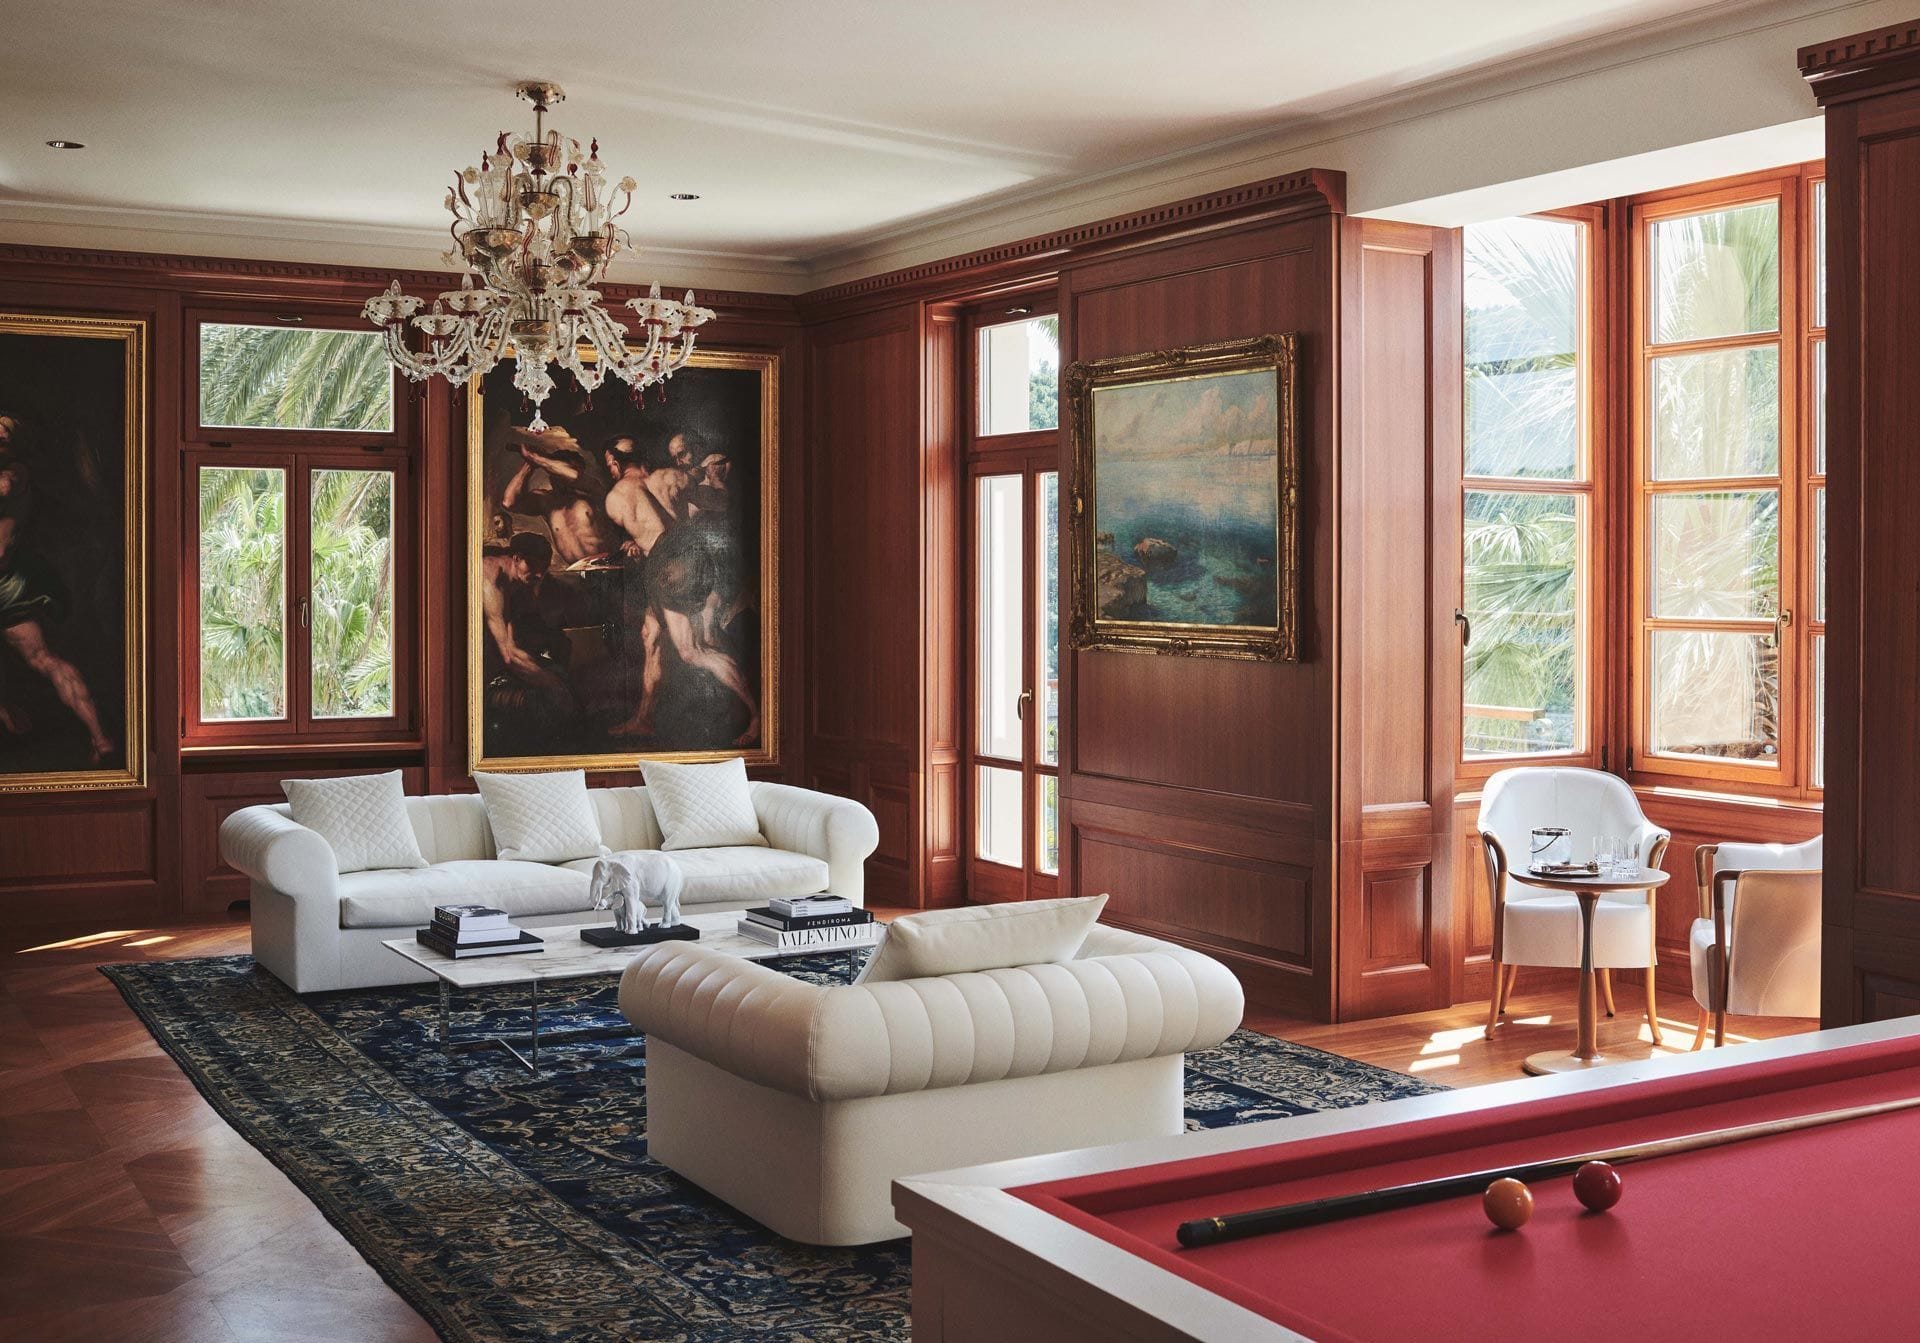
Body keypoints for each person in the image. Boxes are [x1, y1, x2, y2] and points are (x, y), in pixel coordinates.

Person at [0, 414, 115, 763]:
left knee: (43, 659)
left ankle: (100, 739)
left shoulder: (15, 474)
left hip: (5, 586)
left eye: (4, 433)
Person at [500, 425, 619, 565]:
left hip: (607, 564)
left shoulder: (593, 490)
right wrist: (529, 464)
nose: (565, 478)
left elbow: (574, 476)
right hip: (576, 570)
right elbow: (509, 502)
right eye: (560, 472)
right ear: (552, 473)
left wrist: (535, 457)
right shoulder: (546, 501)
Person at [479, 531, 565, 694]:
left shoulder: (522, 579)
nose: (539, 574)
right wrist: (551, 682)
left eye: (544, 567)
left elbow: (522, 636)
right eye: (533, 565)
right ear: (517, 559)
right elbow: (509, 655)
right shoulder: (492, 579)